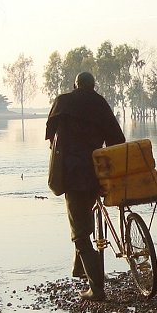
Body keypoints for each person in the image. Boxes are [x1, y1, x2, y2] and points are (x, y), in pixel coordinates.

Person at [46, 71, 127, 301]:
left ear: (75, 85)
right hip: (94, 173)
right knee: (84, 218)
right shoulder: (100, 103)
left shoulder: (63, 102)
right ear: (93, 86)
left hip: (71, 174)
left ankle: (97, 288)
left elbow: (51, 138)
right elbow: (117, 140)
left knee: (80, 233)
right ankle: (80, 268)